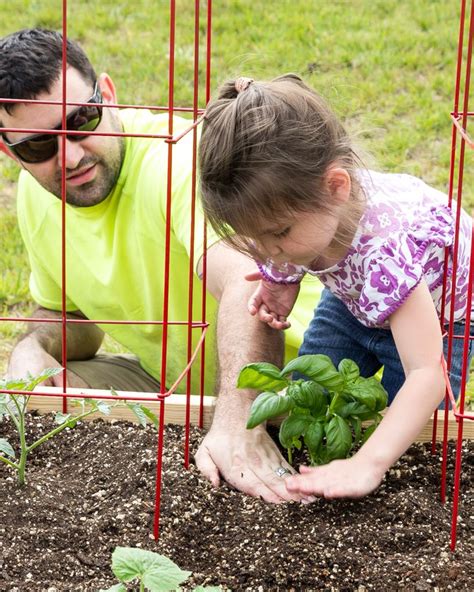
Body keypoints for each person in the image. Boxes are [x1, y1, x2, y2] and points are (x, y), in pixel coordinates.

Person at [0, 29, 325, 504]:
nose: (68, 156)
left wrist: (238, 427)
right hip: (174, 387)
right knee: (21, 402)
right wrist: (31, 348)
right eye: (37, 147)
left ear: (107, 95)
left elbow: (245, 281)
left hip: (304, 382)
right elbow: (76, 324)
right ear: (8, 151)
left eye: (82, 119)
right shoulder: (37, 195)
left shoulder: (177, 161)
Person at [198, 73, 473, 499]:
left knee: (416, 435)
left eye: (279, 233)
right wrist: (279, 281)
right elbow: (282, 247)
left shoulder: (384, 247)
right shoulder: (310, 223)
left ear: (336, 187)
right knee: (311, 394)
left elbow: (427, 373)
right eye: (255, 238)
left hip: (441, 318)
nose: (269, 249)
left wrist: (368, 463)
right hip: (355, 298)